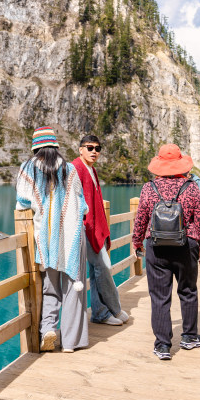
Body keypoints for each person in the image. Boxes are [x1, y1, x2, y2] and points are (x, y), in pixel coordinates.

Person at [132, 144, 200, 360]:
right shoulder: (192, 187)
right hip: (186, 245)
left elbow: (141, 218)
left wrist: (137, 242)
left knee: (159, 297)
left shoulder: (149, 188)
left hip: (156, 247)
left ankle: (163, 345)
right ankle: (189, 337)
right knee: (188, 291)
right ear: (180, 164)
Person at [16, 126, 89, 353]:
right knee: (73, 289)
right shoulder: (69, 169)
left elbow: (22, 202)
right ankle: (70, 342)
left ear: (36, 146)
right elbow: (82, 205)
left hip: (46, 240)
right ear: (56, 146)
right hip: (73, 237)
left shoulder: (28, 168)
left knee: (50, 287)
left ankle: (48, 328)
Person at [71, 135, 129, 326]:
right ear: (80, 149)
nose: (94, 151)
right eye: (90, 147)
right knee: (103, 266)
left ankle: (100, 312)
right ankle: (114, 308)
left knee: (98, 270)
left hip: (93, 227)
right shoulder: (75, 168)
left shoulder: (91, 170)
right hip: (84, 227)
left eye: (98, 148)